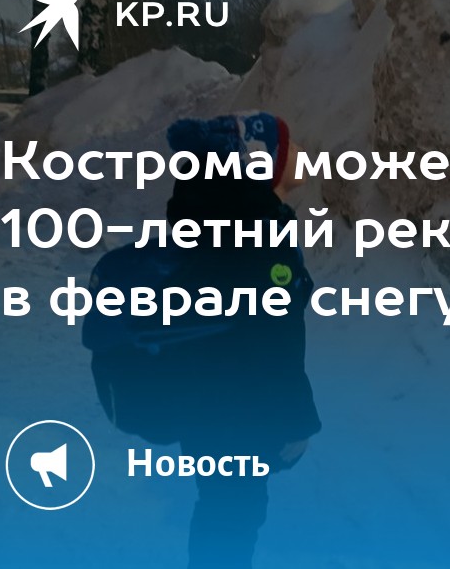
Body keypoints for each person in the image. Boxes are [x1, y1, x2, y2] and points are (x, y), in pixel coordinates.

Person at [84, 112, 321, 569]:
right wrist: (296, 421)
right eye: (288, 148)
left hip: (202, 393)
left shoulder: (210, 209)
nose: (298, 158)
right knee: (235, 512)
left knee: (220, 507)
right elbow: (277, 336)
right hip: (239, 402)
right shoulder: (257, 226)